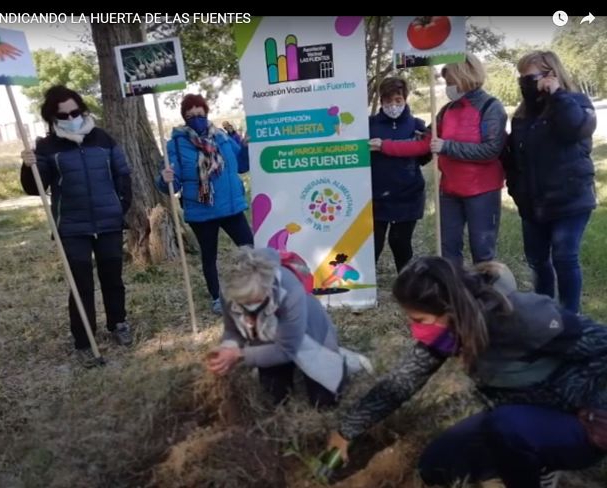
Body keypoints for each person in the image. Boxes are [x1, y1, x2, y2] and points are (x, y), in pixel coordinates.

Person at [326, 256, 607, 487]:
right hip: (528, 411)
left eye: (419, 319)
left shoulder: (522, 318)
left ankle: (539, 472)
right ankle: (530, 456)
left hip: (584, 421)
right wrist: (346, 431)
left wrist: (588, 408)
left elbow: (601, 346)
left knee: (505, 426)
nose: (415, 329)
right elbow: (402, 381)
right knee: (437, 465)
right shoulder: (451, 331)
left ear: (449, 308)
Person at [20, 85, 133, 368]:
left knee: (112, 277)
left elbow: (123, 173)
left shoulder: (103, 138)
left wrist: (120, 206)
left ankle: (118, 322)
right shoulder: (47, 147)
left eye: (76, 112)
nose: (72, 117)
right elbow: (35, 188)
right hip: (71, 226)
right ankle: (84, 339)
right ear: (53, 117)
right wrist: (27, 165)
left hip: (108, 222)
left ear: (82, 110)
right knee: (80, 283)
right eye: (64, 115)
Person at [380, 54, 507, 266]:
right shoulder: (447, 110)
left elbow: (491, 150)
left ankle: (483, 295)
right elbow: (425, 143)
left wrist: (448, 147)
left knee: (482, 250)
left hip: (481, 191)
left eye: (451, 82)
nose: (449, 87)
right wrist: (383, 145)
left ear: (466, 77)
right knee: (448, 248)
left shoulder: (490, 107)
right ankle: (453, 293)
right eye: (446, 82)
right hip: (449, 190)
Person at [206, 247, 371, 408]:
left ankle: (346, 361)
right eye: (243, 303)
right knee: (273, 400)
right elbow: (232, 330)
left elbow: (287, 349)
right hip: (268, 334)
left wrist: (240, 354)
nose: (248, 307)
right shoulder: (230, 291)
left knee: (324, 402)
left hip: (307, 332)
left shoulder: (290, 289)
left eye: (253, 300)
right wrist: (227, 348)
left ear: (268, 287)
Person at [502, 50, 597, 314]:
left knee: (565, 258)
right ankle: (543, 314)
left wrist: (557, 96)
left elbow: (574, 129)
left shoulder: (576, 103)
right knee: (537, 261)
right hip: (533, 203)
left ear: (551, 75)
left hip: (571, 198)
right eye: (521, 77)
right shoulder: (521, 116)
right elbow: (514, 159)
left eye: (529, 77)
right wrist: (516, 190)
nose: (524, 83)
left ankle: (569, 317)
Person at [157, 94, 253, 315]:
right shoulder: (177, 144)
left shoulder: (222, 137)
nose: (196, 119)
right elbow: (173, 181)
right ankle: (217, 296)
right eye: (190, 116)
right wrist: (166, 179)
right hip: (202, 211)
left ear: (206, 113)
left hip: (231, 207)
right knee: (209, 256)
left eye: (200, 114)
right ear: (184, 118)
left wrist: (246, 148)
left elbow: (240, 166)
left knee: (249, 249)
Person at [368, 77, 429, 273]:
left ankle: (406, 281)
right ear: (381, 101)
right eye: (387, 101)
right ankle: (367, 282)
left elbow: (423, 158)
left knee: (400, 242)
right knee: (373, 243)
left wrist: (424, 147)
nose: (393, 105)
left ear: (405, 99)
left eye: (398, 100)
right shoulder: (369, 125)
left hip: (408, 194)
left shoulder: (417, 125)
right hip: (376, 196)